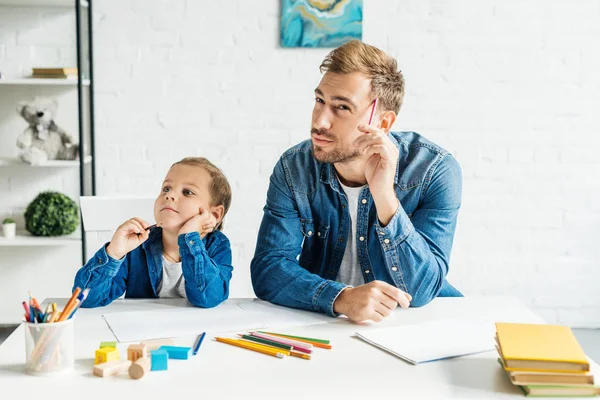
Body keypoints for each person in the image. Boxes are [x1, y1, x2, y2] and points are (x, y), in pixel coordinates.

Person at [251, 40, 462, 323]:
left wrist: (385, 196)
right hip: (327, 322)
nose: (320, 121)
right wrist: (341, 298)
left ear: (383, 123)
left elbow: (421, 291)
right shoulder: (295, 168)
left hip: (419, 325)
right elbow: (269, 270)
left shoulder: (432, 171)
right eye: (320, 101)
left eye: (341, 107)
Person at [74, 157, 233, 308]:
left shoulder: (218, 246)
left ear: (215, 214)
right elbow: (85, 299)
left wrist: (189, 238)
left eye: (187, 192)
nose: (169, 195)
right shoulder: (137, 245)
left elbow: (208, 298)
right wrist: (114, 252)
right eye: (166, 188)